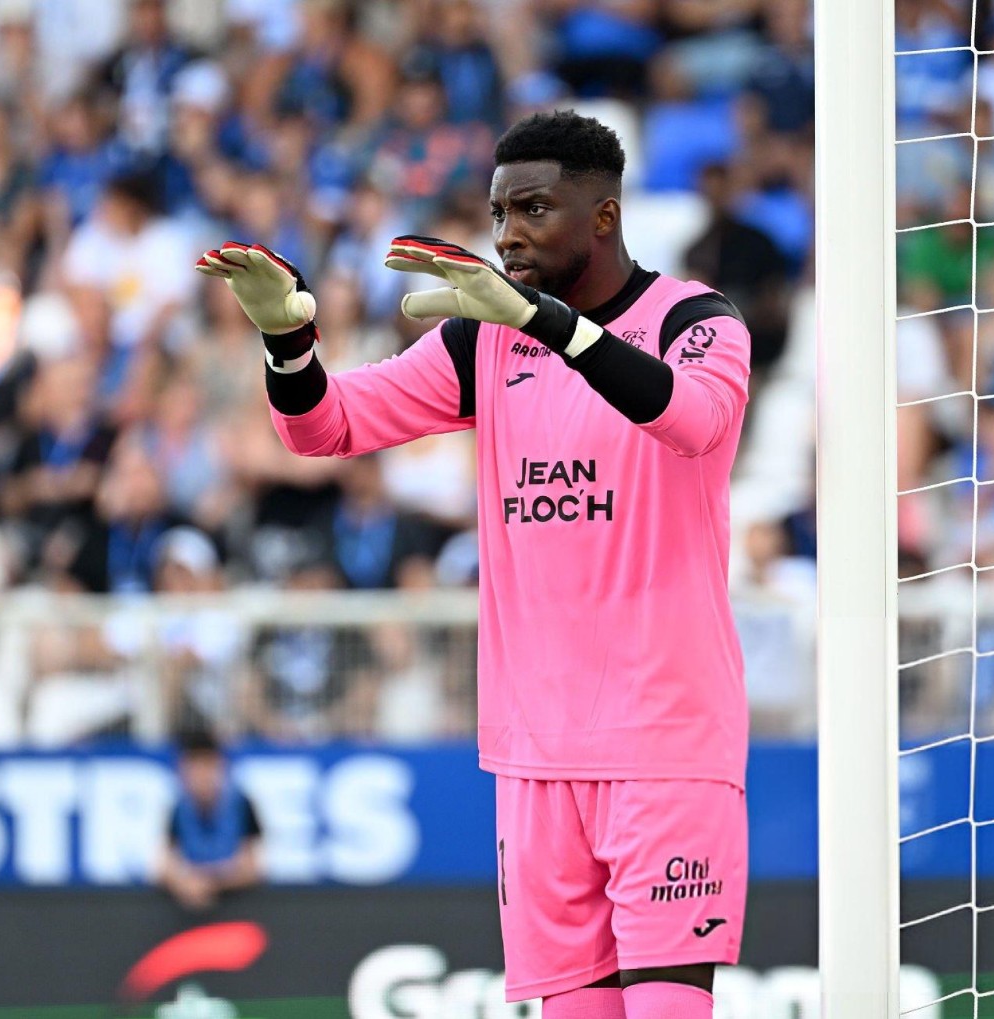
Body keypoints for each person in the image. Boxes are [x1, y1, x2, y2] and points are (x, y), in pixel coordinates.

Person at [196, 111, 750, 1017]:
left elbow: (693, 420)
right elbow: (323, 425)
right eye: (499, 213)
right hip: (532, 759)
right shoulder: (484, 340)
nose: (508, 235)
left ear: (604, 215)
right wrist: (286, 339)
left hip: (665, 745)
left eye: (534, 208)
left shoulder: (694, 318)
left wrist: (547, 322)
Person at [154, 730, 264, 911]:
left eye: (207, 766)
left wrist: (209, 883)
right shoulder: (178, 808)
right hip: (188, 909)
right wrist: (184, 884)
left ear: (220, 767)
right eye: (194, 767)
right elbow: (164, 865)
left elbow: (252, 868)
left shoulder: (241, 805)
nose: (201, 776)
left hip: (237, 907)